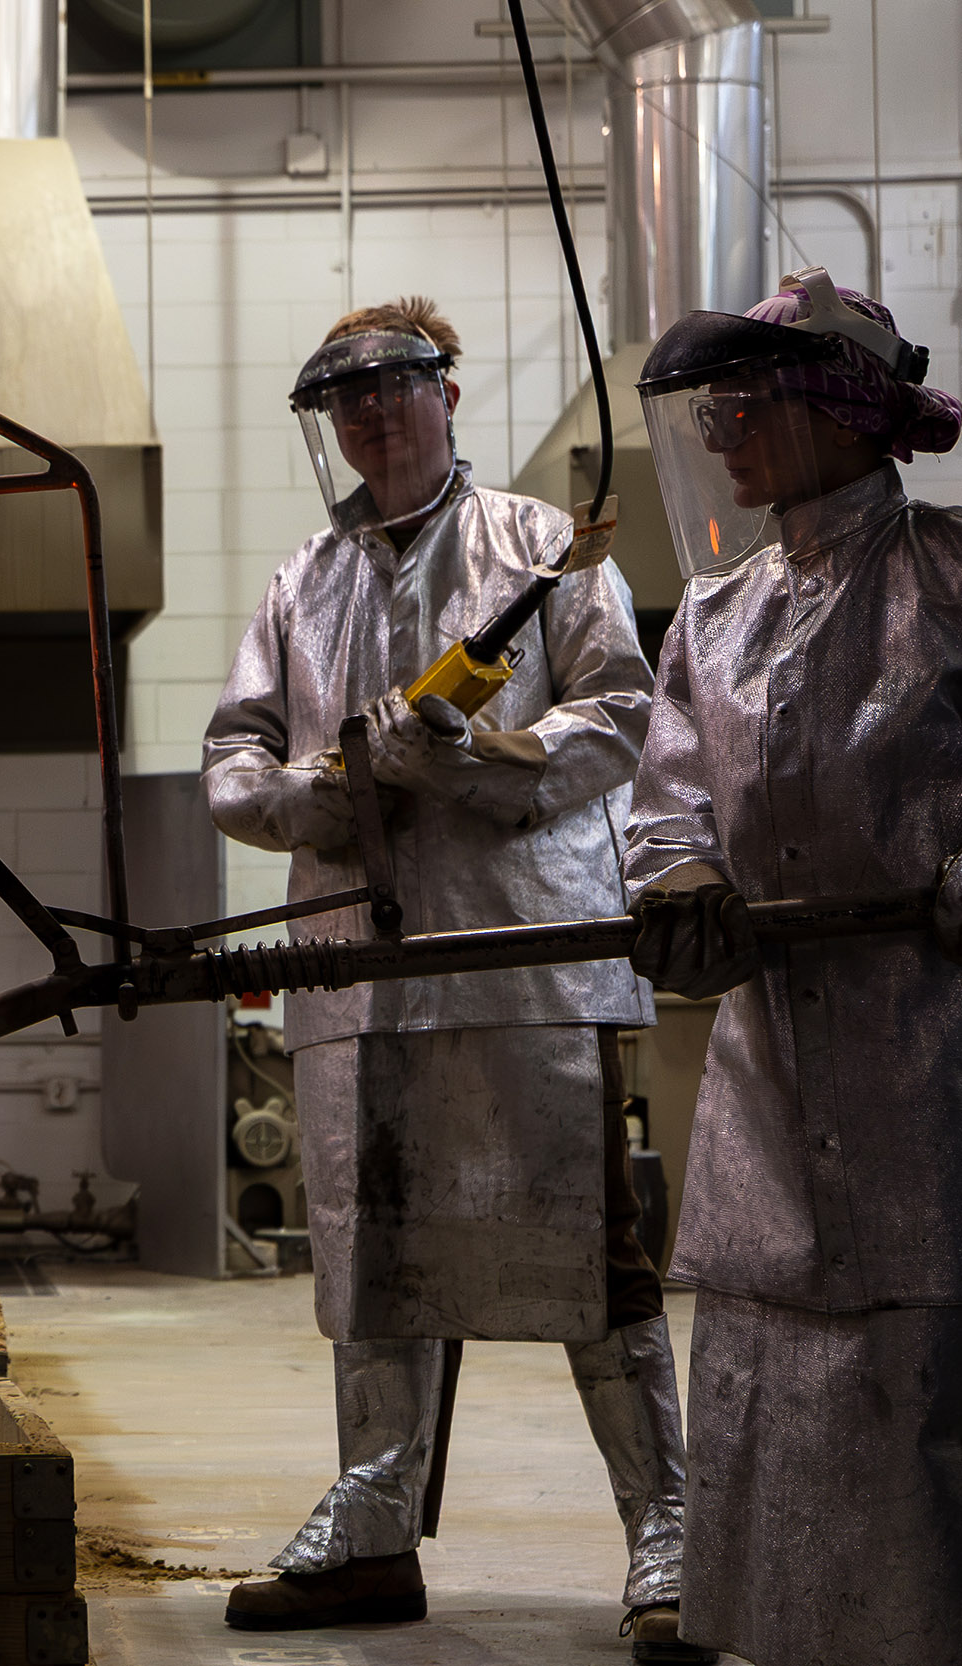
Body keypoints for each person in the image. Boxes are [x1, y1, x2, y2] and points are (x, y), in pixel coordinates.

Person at [205, 298, 702, 1661]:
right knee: (371, 1257)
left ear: (449, 393)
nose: (373, 415)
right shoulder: (301, 582)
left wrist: (481, 760)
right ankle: (373, 1517)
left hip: (524, 958)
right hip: (357, 972)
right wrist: (328, 783)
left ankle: (669, 1526)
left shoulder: (541, 548)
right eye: (347, 399)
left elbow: (620, 710)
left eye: (396, 388)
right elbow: (233, 761)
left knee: (588, 1256)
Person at [624, 270, 962, 1666]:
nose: (724, 426)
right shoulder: (714, 617)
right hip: (773, 1062)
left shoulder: (949, 576)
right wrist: (682, 871)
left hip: (933, 1048)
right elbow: (666, 797)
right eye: (715, 402)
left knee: (923, 1360)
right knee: (775, 1364)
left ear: (844, 406)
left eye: (752, 396)